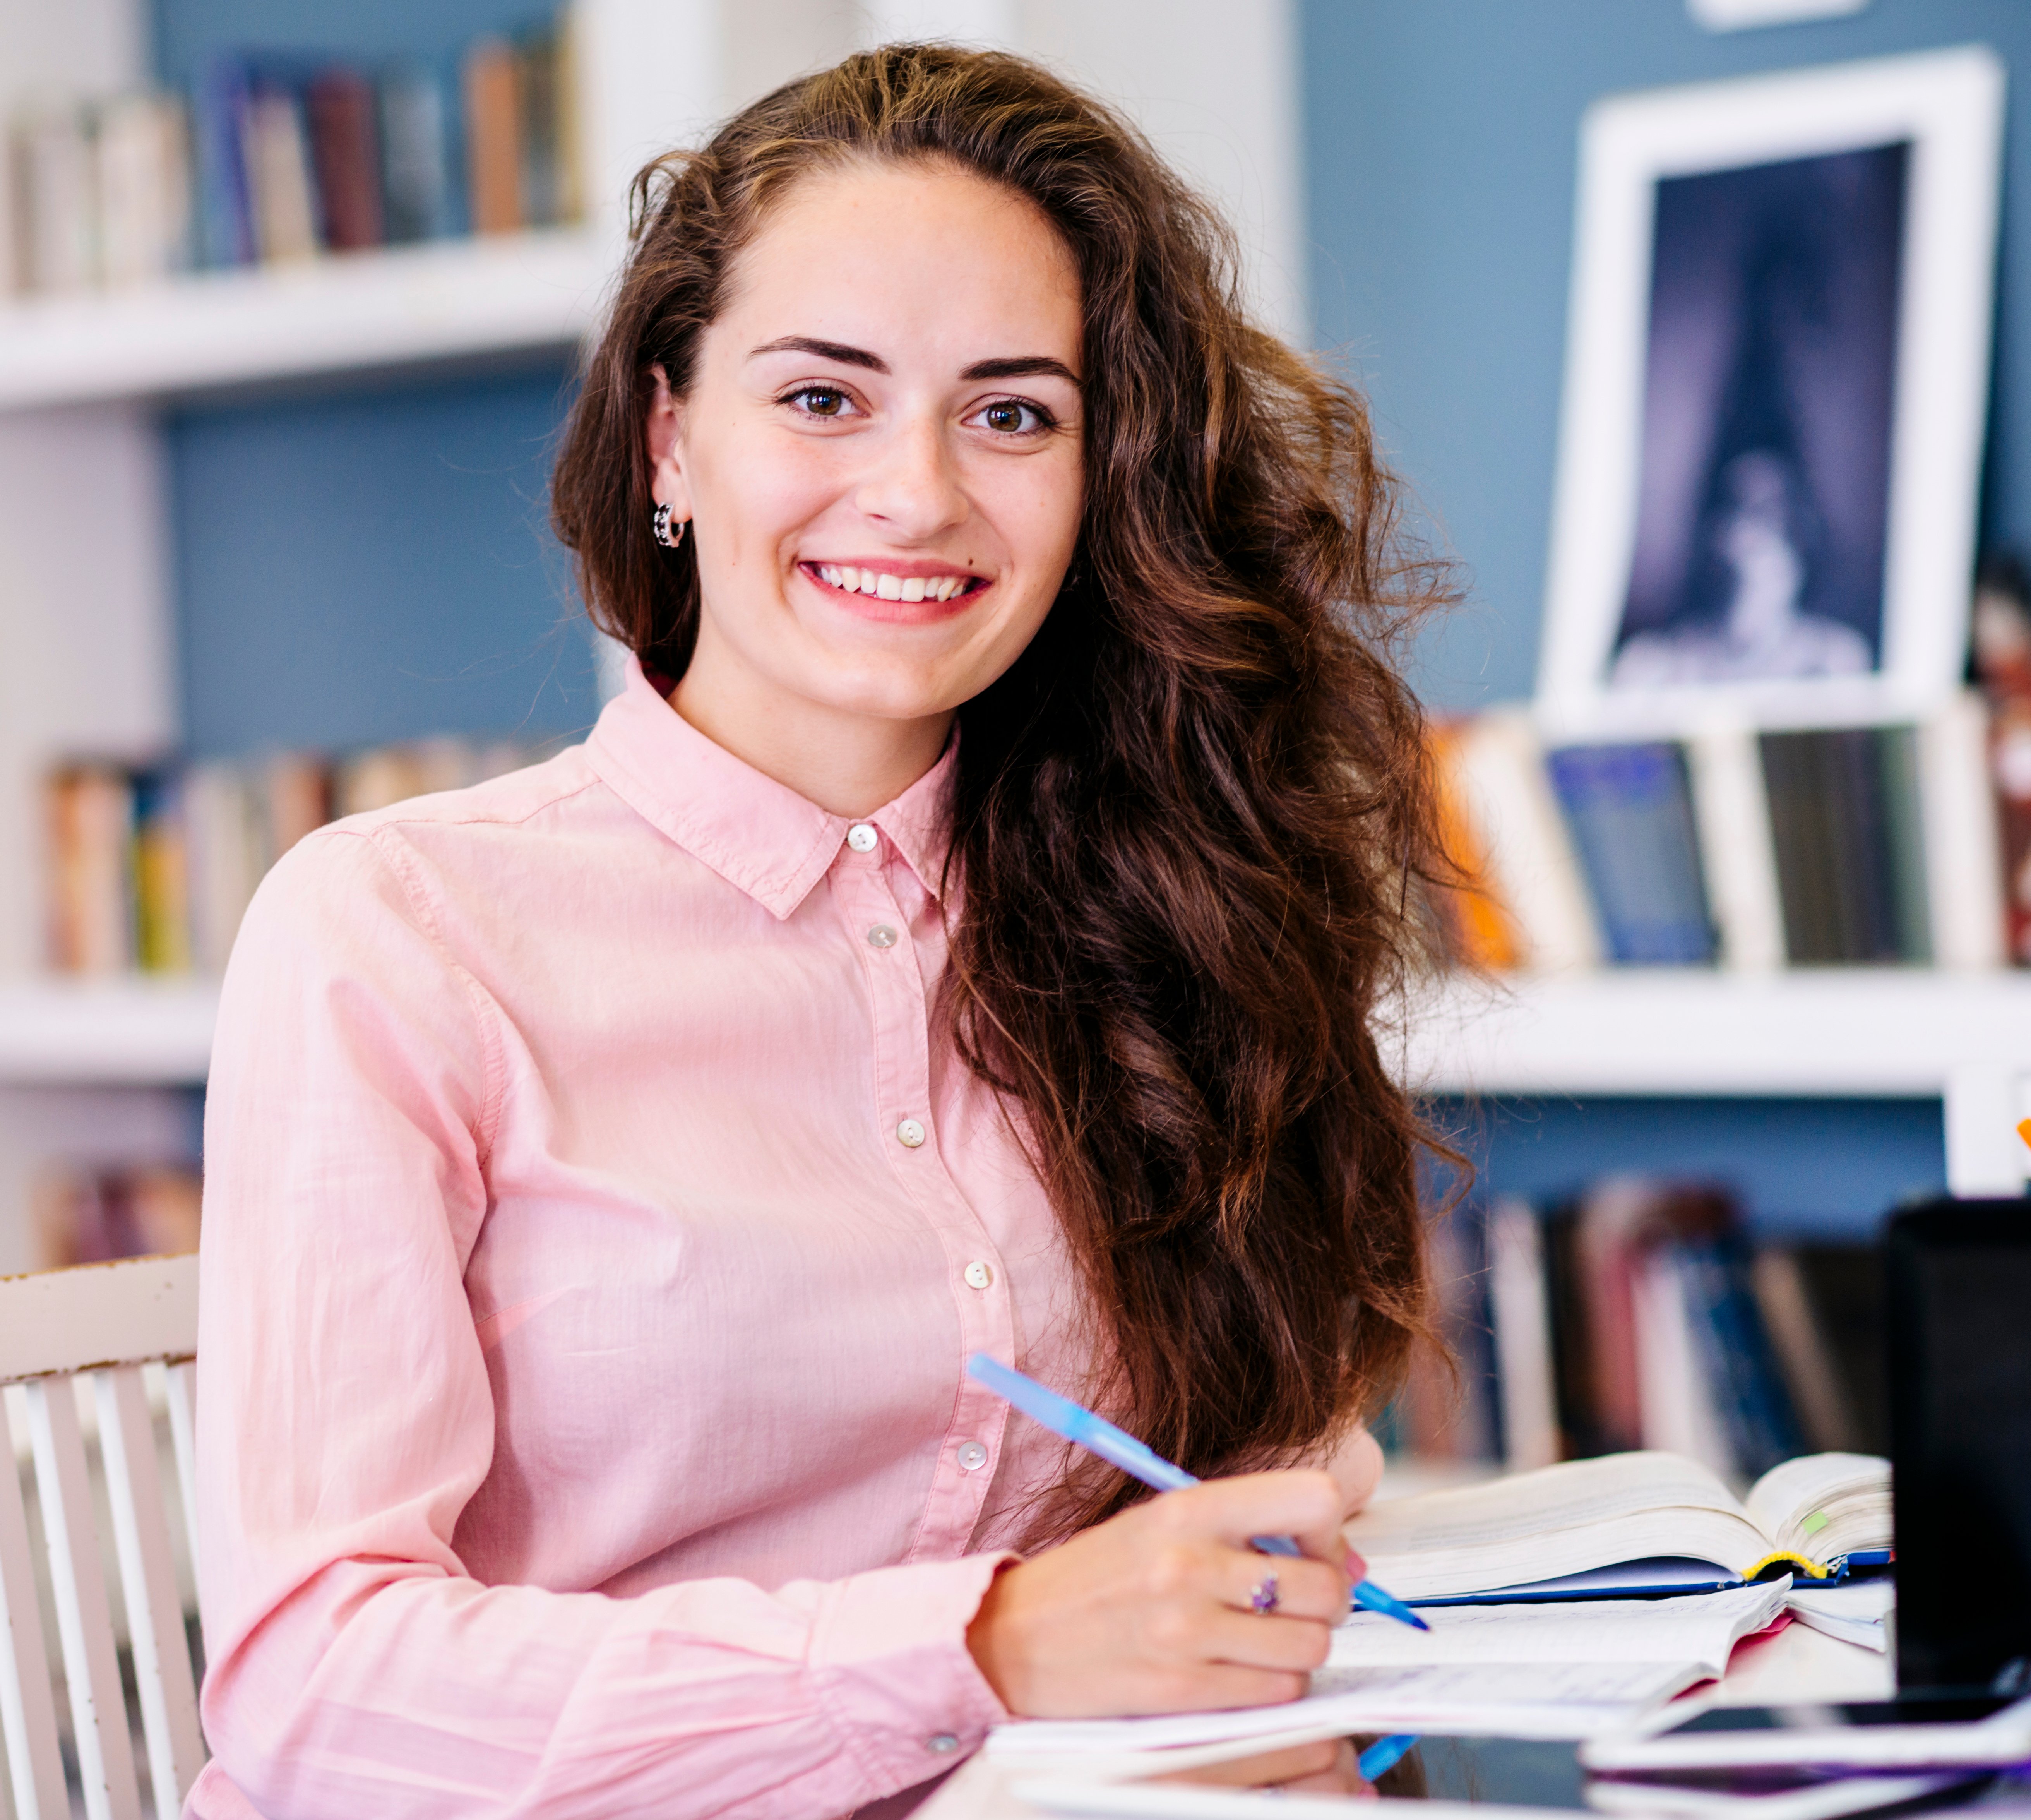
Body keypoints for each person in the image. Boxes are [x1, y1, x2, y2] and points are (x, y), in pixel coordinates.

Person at [190, 44, 1458, 1820]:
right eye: (822, 397)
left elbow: (1229, 1487)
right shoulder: (396, 927)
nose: (920, 492)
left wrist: (1226, 1601)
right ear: (667, 439)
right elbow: (315, 1687)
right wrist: (989, 1642)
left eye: (1011, 412)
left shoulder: (1156, 905)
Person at [1611, 448, 1871, 687]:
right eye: (1737, 509)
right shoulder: (1655, 664)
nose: (1750, 534)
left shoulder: (1832, 659)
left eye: (1770, 514)